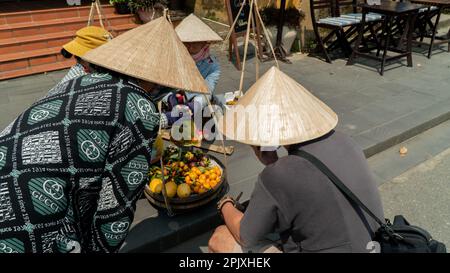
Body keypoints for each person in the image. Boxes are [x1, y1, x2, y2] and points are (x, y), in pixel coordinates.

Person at [0, 17, 208, 253]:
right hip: (31, 215)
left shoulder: (79, 80)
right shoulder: (138, 106)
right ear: (156, 80)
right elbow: (115, 206)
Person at [210, 66, 384, 253]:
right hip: (374, 244)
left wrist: (225, 203)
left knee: (221, 238)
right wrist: (273, 164)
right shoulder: (346, 141)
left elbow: (245, 235)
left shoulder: (278, 174)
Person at [163, 14, 223, 112]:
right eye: (186, 42)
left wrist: (193, 104)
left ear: (204, 43)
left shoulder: (213, 66)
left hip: (196, 101)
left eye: (195, 42)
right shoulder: (173, 58)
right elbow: (163, 84)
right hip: (173, 99)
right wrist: (171, 98)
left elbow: (207, 90)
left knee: (207, 102)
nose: (190, 46)